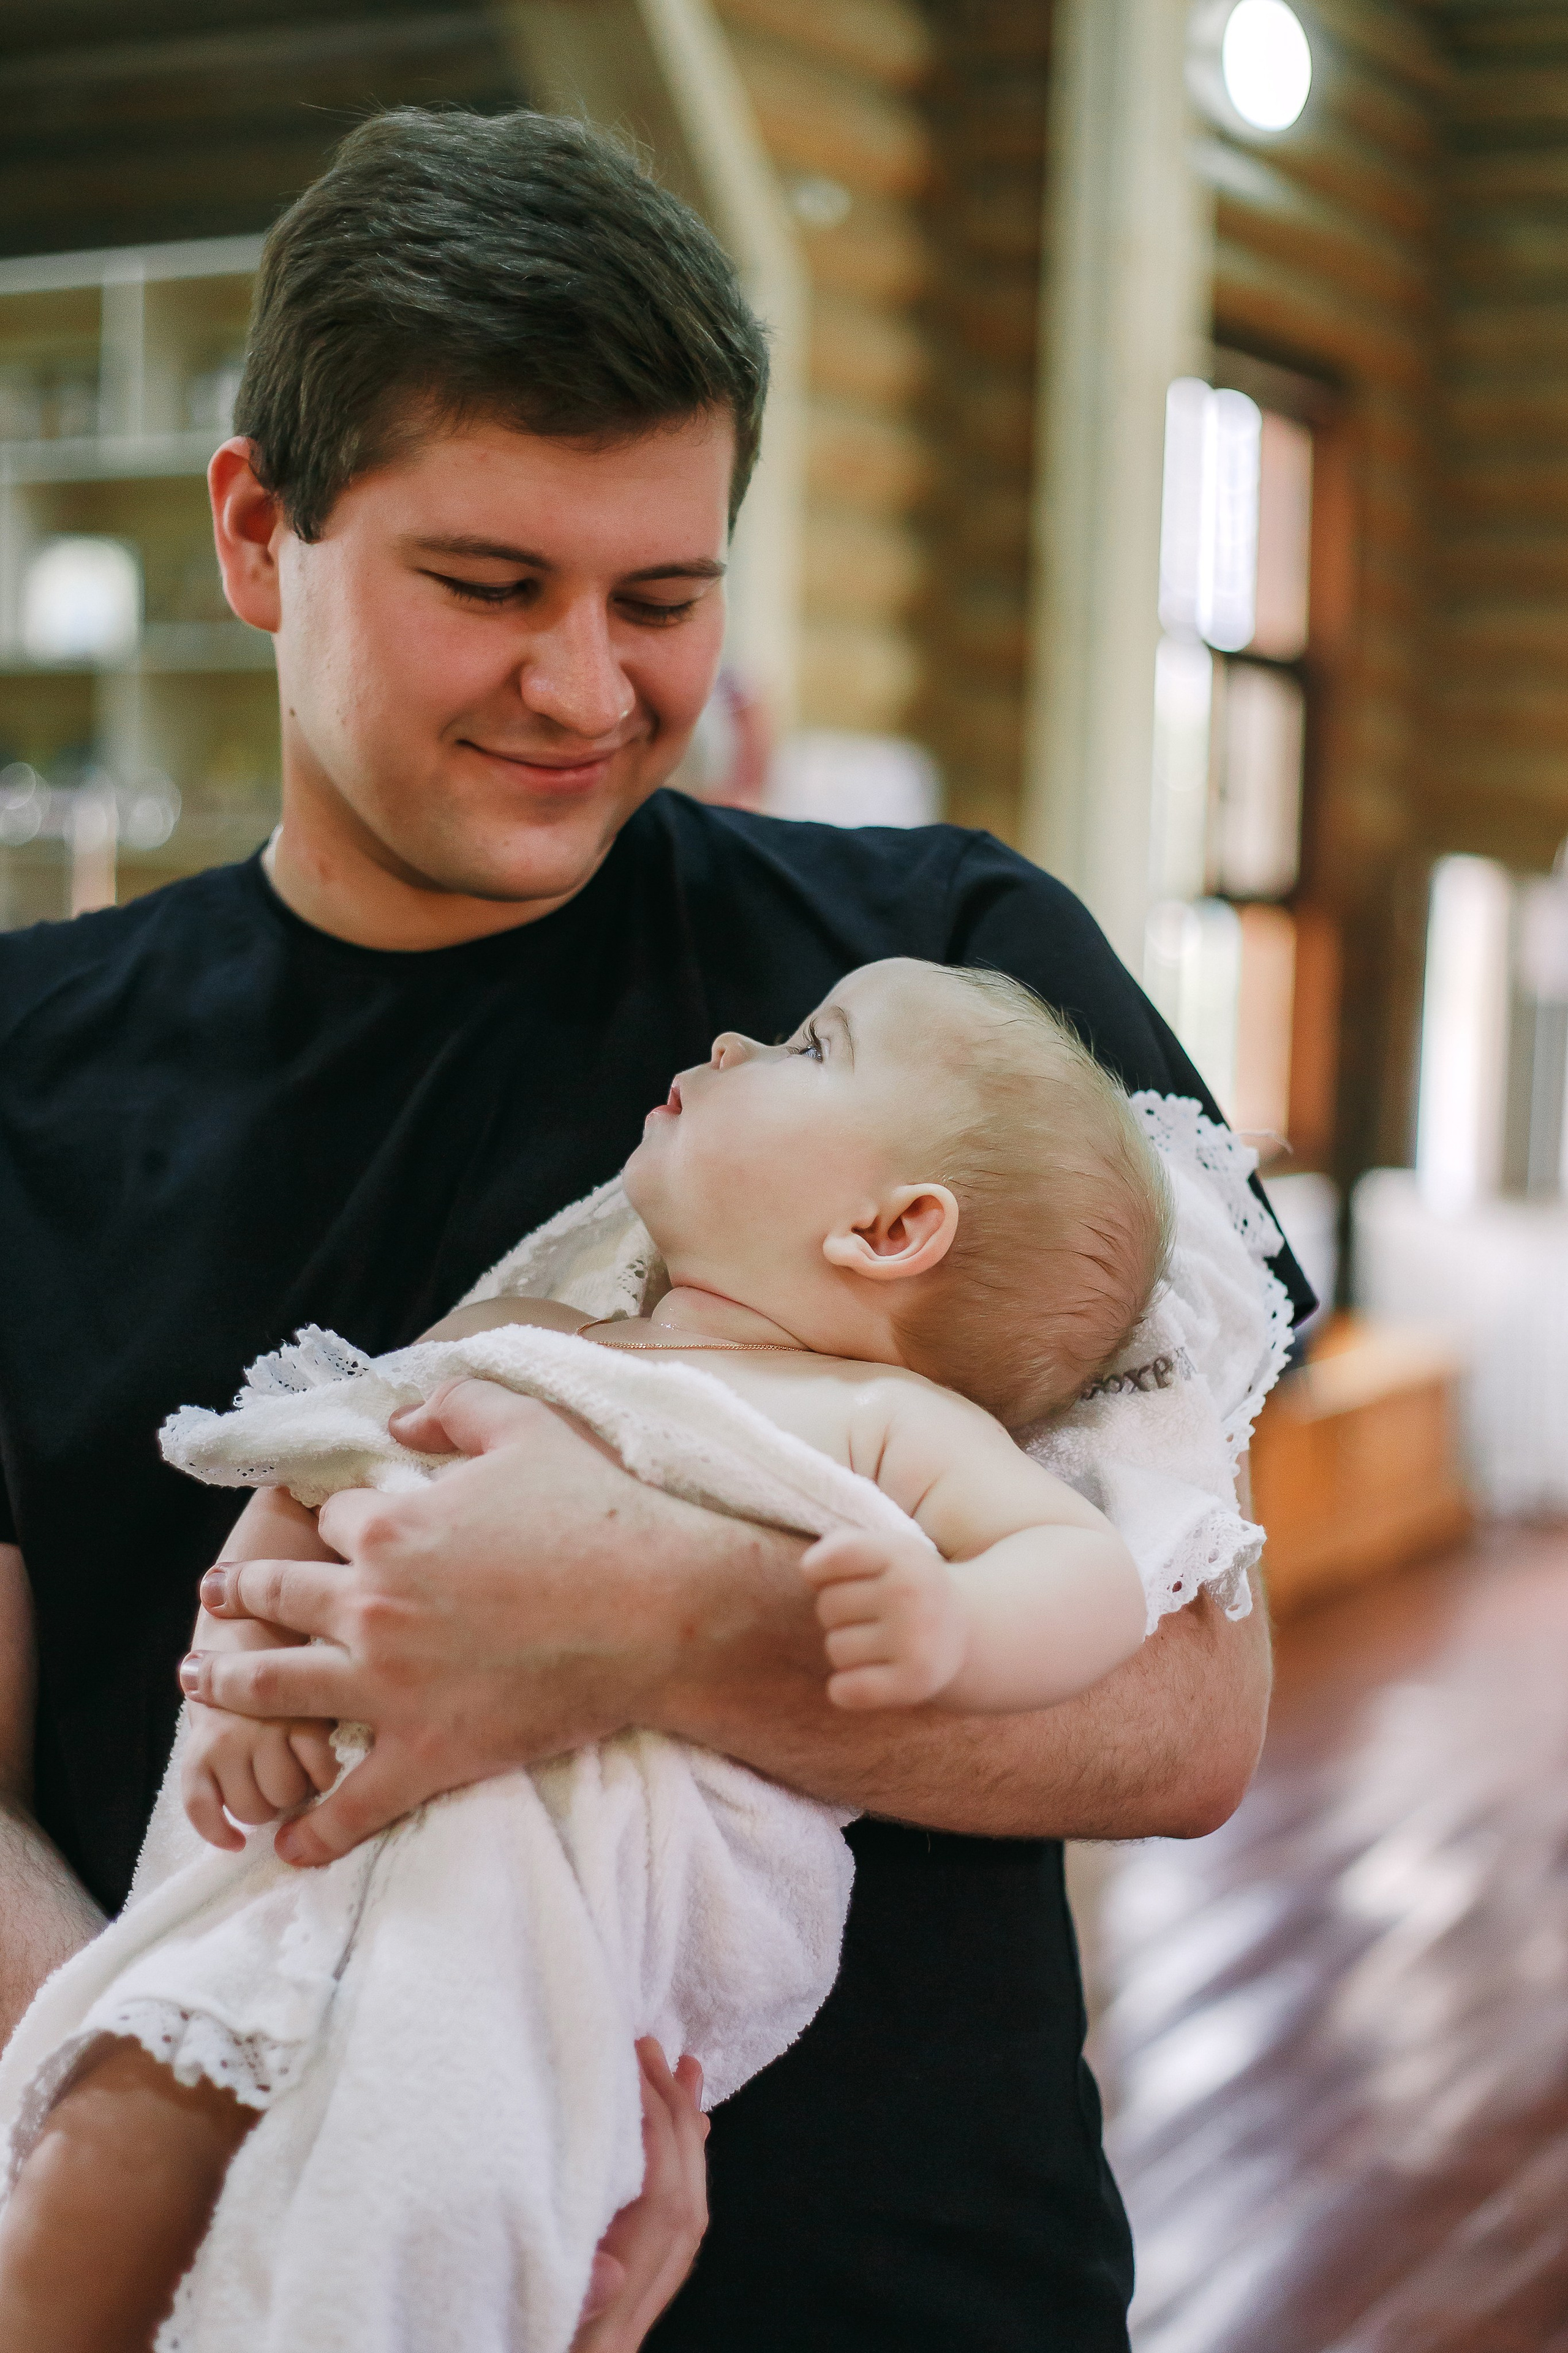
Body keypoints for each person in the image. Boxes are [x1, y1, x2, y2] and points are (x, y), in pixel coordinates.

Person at [0, 108, 1308, 2349]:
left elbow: (1185, 1709)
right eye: (490, 586)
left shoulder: (945, 989)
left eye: (663, 602)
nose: (588, 689)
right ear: (257, 532)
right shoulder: (23, 1063)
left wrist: (629, 1623)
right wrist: (250, 2161)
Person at [0, 959, 1172, 2350]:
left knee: (418, 2187)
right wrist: (250, 1657)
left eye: (810, 1046)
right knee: (121, 2121)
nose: (731, 1038)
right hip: (327, 1852)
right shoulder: (527, 1336)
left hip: (561, 1904)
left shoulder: (872, 1418)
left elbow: (1086, 1573)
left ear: (892, 1226)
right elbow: (327, 1465)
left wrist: (955, 1625)